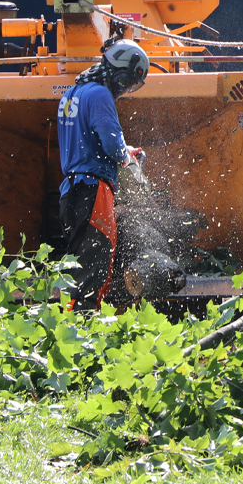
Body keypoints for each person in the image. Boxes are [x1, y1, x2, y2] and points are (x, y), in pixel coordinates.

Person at [57, 39, 149, 310]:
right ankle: (86, 336)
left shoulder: (71, 95)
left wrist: (124, 149)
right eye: (128, 82)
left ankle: (68, 328)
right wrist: (128, 157)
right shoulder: (101, 95)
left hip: (70, 191)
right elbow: (111, 145)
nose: (125, 89)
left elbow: (89, 141)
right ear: (120, 73)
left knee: (76, 267)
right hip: (93, 190)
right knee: (94, 270)